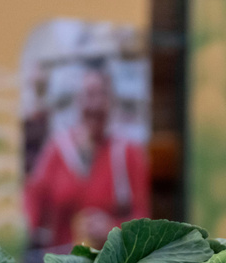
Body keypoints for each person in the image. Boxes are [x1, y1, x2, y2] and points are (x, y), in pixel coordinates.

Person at [24, 60, 149, 252]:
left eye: (102, 95)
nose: (95, 104)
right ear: (78, 101)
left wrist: (112, 229)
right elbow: (32, 204)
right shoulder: (58, 150)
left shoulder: (127, 154)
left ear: (112, 103)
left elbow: (145, 218)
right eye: (89, 95)